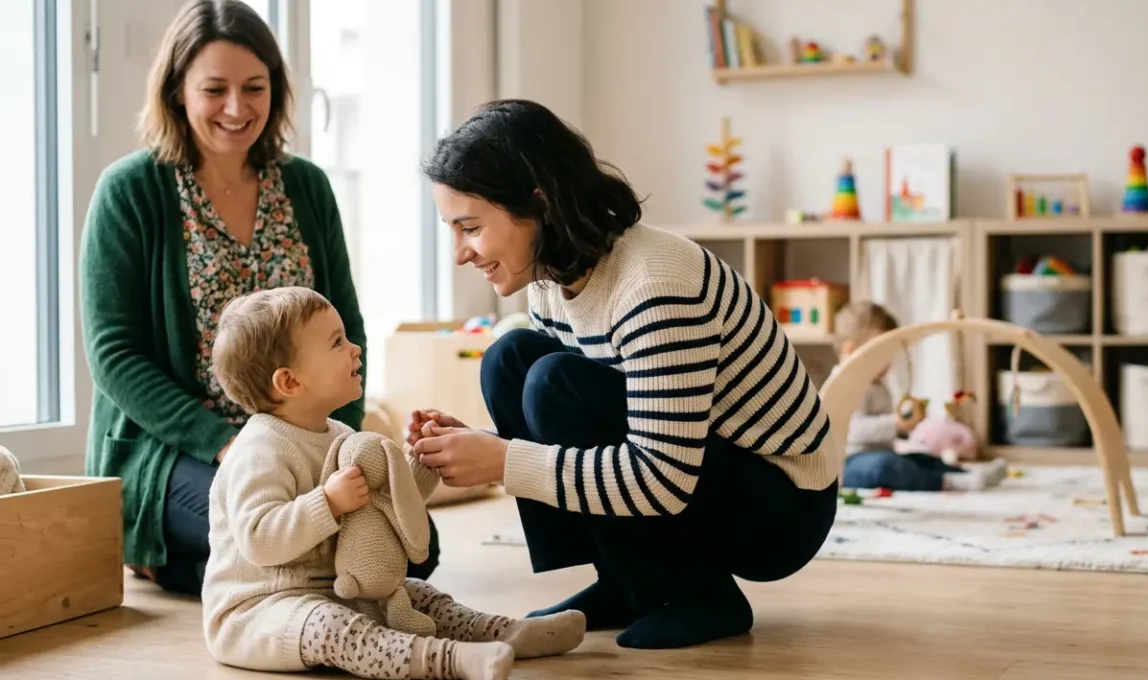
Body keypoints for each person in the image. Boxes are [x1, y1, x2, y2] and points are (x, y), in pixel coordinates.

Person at [405, 99, 840, 650]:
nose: (460, 253)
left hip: (781, 505)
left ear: (537, 203)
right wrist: (472, 447)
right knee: (510, 358)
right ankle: (627, 581)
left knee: (551, 382)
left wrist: (504, 461)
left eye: (470, 228)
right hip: (698, 470)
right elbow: (590, 426)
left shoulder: (655, 284)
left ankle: (699, 596)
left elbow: (663, 474)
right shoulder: (550, 285)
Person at [78, 0, 438, 596]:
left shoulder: (307, 187)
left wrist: (340, 445)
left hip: (305, 441)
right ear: (176, 92)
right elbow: (114, 354)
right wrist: (225, 445)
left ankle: (266, 578)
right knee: (264, 536)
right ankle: (171, 554)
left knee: (418, 548)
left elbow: (347, 328)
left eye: (254, 87)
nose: (237, 108)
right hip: (178, 448)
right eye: (214, 89)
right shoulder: (130, 190)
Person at [202, 287, 584, 680]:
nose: (355, 349)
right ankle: (446, 661)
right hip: (260, 612)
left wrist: (419, 460)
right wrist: (328, 503)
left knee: (418, 595)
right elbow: (259, 540)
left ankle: (506, 633)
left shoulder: (338, 433)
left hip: (336, 590)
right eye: (337, 343)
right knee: (331, 626)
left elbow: (388, 506)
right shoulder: (258, 450)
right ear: (290, 382)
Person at [832, 302, 1007, 491]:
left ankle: (967, 474)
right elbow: (852, 429)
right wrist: (895, 424)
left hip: (881, 453)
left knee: (922, 459)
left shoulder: (877, 385)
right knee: (887, 466)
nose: (889, 362)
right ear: (850, 351)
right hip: (846, 464)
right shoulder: (842, 385)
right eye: (882, 354)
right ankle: (949, 482)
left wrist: (906, 425)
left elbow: (884, 428)